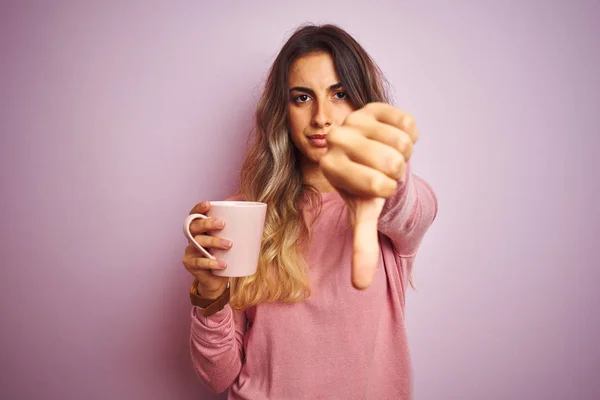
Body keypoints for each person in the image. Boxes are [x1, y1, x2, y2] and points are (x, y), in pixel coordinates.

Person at [182, 23, 438, 400]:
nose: (321, 116)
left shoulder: (391, 209)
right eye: (302, 98)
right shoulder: (243, 217)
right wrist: (209, 294)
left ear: (364, 104)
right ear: (282, 112)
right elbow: (219, 376)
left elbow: (405, 203)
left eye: (339, 94)